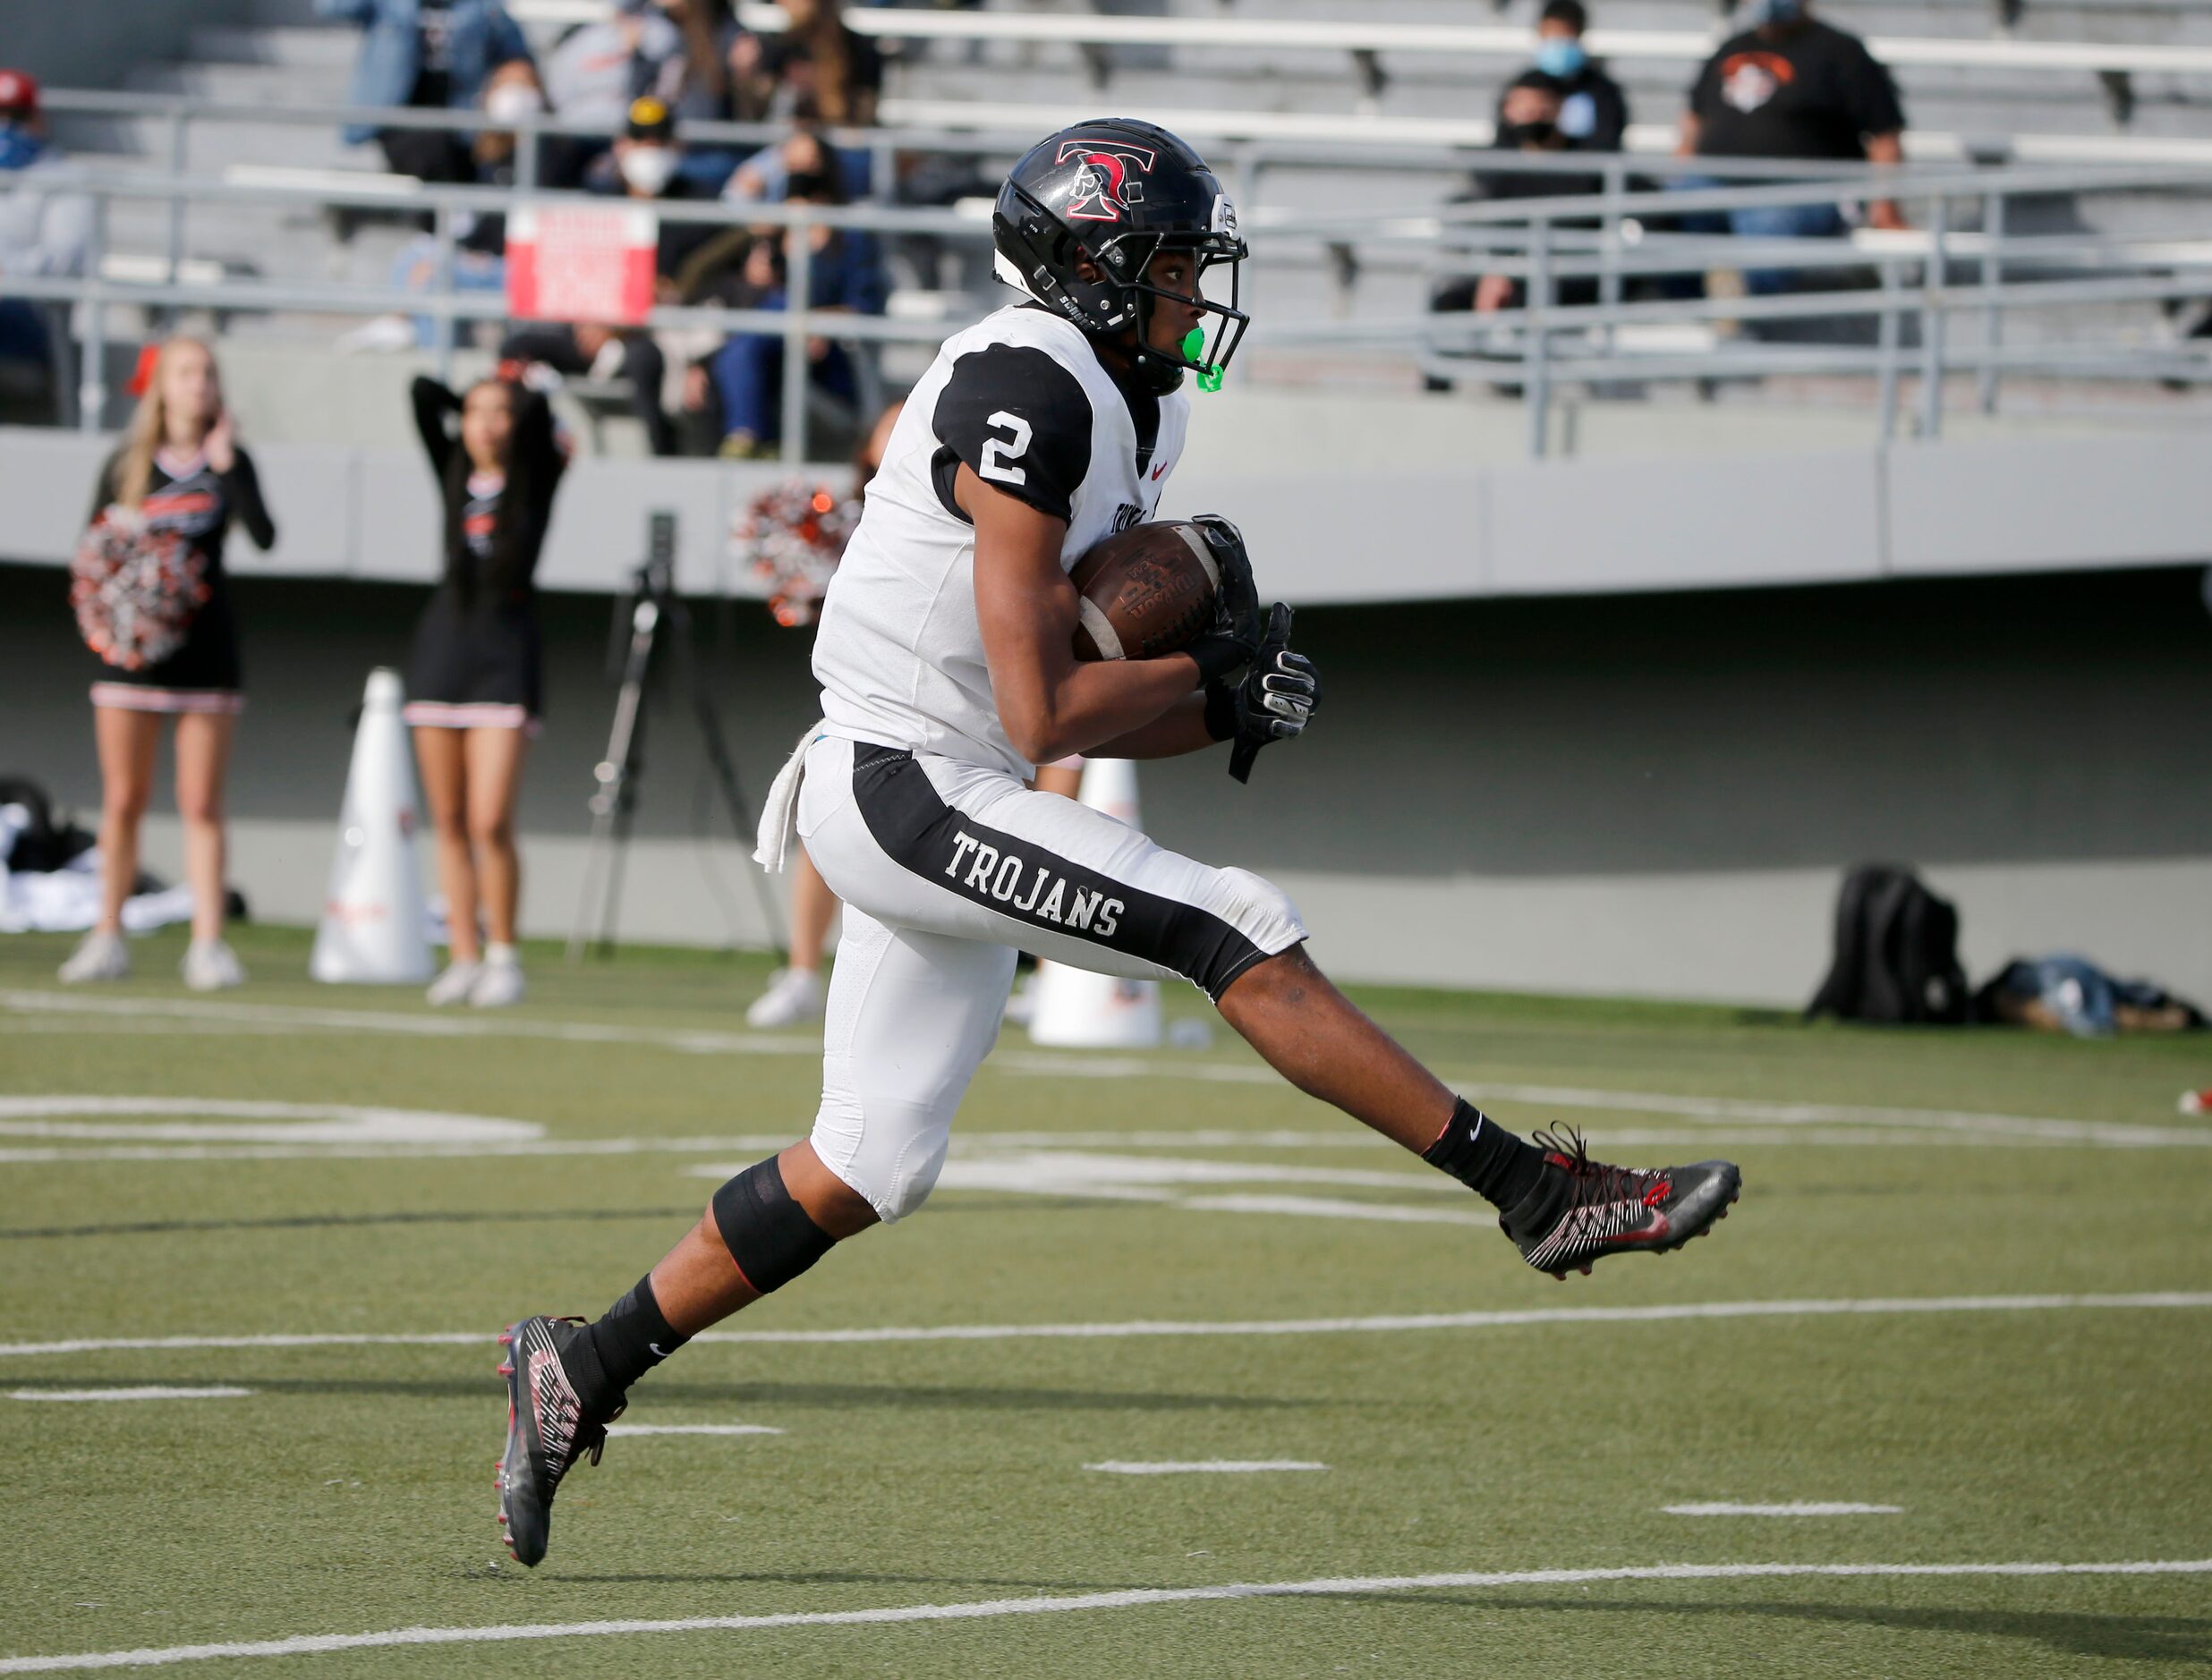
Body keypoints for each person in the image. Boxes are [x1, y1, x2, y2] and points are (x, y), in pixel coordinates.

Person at [490, 119, 1746, 1567]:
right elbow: (1040, 711)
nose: (1188, 294)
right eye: (1164, 264)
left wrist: (1217, 704)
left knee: (868, 1157)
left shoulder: (1129, 394)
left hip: (942, 774)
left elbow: (1074, 716)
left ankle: (575, 1365)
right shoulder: (1030, 382)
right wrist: (1208, 685)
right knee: (1234, 920)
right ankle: (1539, 1193)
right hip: (905, 774)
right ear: (1085, 266)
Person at [59, 335, 274, 989]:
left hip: (206, 657)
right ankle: (107, 936)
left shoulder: (228, 464)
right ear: (162, 386)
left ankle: (207, 943)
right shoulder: (127, 462)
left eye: (208, 374)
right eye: (187, 373)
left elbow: (264, 534)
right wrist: (123, 618)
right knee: (123, 798)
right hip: (131, 661)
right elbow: (91, 554)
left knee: (200, 801)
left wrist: (229, 462)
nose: (199, 385)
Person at [402, 371, 567, 1007]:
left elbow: (541, 414)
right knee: (447, 819)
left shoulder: (536, 472)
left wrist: (513, 393)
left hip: (506, 655)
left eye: (500, 413)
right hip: (444, 649)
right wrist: (466, 402)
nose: (487, 423)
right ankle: (462, 955)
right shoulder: (450, 466)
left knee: (489, 819)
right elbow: (420, 393)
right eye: (474, 412)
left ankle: (503, 953)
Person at [1677, 0, 1907, 291]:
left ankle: (1747, 314)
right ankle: (1682, 310)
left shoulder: (1841, 50)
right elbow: (1694, 120)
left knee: (1766, 221)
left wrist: (1884, 207)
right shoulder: (1731, 48)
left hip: (1807, 192)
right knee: (1666, 209)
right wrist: (1682, 174)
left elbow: (1885, 135)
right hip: (1719, 183)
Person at [702, 138, 889, 457]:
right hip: (768, 344)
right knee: (749, 340)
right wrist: (755, 277)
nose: (801, 173)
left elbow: (865, 304)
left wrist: (821, 322)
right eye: (792, 164)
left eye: (809, 163)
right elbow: (708, 277)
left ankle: (745, 437)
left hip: (828, 353)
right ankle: (752, 438)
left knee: (757, 334)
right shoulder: (771, 230)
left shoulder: (852, 235)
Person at [317, 0, 532, 182]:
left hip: (462, 121)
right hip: (396, 119)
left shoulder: (480, 6)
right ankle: (448, 225)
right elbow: (332, 6)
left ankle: (453, 225)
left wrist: (510, 85)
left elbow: (515, 52)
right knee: (431, 150)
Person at [0, 69, 92, 419]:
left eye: (16, 116)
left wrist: (9, 271)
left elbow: (66, 259)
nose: (6, 127)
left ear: (36, 119)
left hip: (27, 316)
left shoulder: (62, 178)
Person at [736, 0, 881, 127]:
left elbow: (862, 121)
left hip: (836, 149)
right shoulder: (777, 47)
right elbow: (754, 116)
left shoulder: (859, 50)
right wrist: (744, 77)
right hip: (783, 147)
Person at [1518, 1, 1627, 157]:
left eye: (1564, 34)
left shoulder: (1603, 91)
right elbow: (1506, 147)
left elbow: (1606, 145)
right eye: (1552, 33)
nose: (1557, 41)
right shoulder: (1524, 87)